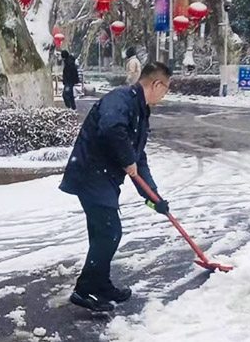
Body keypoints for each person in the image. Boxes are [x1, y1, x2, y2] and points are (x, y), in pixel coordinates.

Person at [59, 62, 172, 312]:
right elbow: (111, 128)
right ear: (156, 84)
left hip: (103, 178)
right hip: (91, 174)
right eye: (166, 89)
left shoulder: (140, 110)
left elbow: (138, 158)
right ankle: (84, 290)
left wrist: (154, 198)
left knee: (102, 233)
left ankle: (100, 284)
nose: (165, 95)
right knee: (109, 233)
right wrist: (127, 159)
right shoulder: (121, 99)